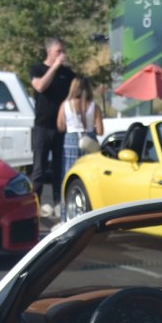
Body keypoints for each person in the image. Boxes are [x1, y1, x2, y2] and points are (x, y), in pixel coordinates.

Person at [30, 38, 75, 218]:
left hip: (61, 127)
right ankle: (36, 202)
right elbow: (40, 86)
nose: (62, 55)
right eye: (58, 51)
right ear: (49, 52)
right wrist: (54, 67)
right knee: (39, 166)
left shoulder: (68, 74)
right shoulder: (37, 69)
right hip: (42, 125)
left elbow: (74, 95)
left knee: (59, 167)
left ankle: (58, 202)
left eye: (63, 51)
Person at [58, 76, 104, 215]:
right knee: (89, 178)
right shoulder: (93, 106)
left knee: (67, 177)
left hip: (70, 140)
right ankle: (88, 213)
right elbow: (101, 131)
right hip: (89, 141)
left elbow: (60, 126)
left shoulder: (65, 105)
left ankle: (66, 214)